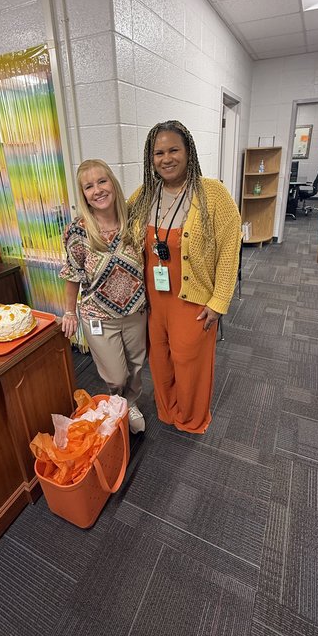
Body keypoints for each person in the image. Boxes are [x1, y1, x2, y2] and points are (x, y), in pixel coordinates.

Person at [128, 120, 241, 434]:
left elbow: (230, 248)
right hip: (152, 301)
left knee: (189, 363)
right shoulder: (143, 196)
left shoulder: (212, 194)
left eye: (174, 149)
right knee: (160, 362)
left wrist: (219, 302)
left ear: (188, 152)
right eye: (158, 152)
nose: (166, 158)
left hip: (191, 301)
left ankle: (190, 419)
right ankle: (167, 411)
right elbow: (116, 226)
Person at [60, 159, 147, 433]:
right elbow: (73, 274)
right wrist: (69, 312)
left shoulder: (134, 222)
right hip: (97, 315)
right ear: (83, 194)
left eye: (102, 181)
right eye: (89, 186)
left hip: (135, 312)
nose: (97, 190)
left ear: (112, 183)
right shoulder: (78, 230)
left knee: (136, 366)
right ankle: (116, 400)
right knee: (116, 373)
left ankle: (129, 404)